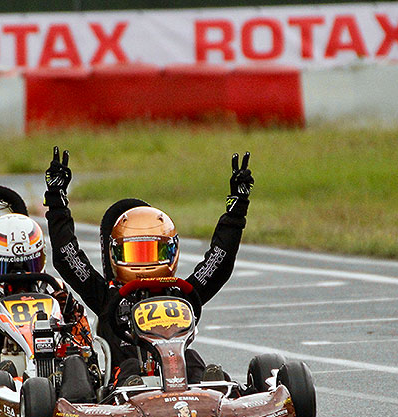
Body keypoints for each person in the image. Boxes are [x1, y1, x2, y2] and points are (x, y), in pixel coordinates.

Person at [43, 146, 253, 385]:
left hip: (181, 376)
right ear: (115, 252)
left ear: (171, 251)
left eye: (153, 251)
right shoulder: (107, 296)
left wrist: (236, 213)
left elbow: (218, 262)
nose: (144, 262)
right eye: (134, 252)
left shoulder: (180, 292)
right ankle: (136, 387)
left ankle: (212, 388)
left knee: (192, 359)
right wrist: (57, 204)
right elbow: (68, 258)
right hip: (122, 386)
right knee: (130, 366)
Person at [0, 213, 92, 385]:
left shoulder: (53, 287)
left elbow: (86, 345)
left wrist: (72, 312)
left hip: (53, 367)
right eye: (8, 266)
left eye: (29, 264)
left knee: (76, 365)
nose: (19, 275)